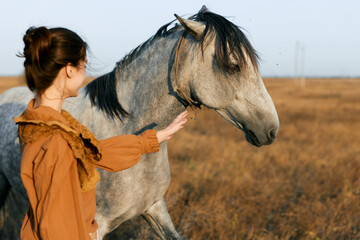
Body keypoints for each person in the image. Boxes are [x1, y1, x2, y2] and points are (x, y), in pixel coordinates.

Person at [13, 26, 188, 240]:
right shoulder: (55, 140)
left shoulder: (43, 121)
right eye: (83, 66)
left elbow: (93, 153)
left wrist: (153, 139)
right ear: (69, 69)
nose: (85, 74)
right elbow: (55, 225)